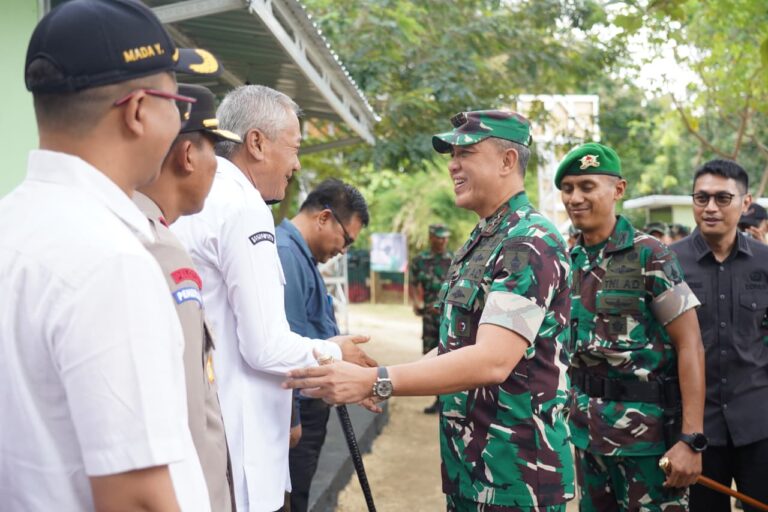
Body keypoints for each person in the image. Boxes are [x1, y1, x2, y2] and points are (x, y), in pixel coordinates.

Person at [285, 110, 575, 511]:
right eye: (451, 154)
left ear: (508, 161)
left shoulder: (530, 241)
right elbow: (459, 347)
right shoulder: (484, 240)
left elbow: (492, 360)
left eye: (466, 152)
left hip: (517, 477)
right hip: (472, 470)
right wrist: (375, 381)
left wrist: (377, 380)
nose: (453, 164)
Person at [0, 1, 221, 510]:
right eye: (177, 103)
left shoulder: (14, 226)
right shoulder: (110, 261)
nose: (178, 121)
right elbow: (137, 496)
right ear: (139, 110)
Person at [172, 84, 375, 512]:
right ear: (257, 143)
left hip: (209, 432)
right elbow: (265, 345)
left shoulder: (201, 201)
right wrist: (333, 352)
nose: (297, 164)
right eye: (294, 147)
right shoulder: (244, 208)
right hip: (241, 447)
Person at [556, 142, 705, 511]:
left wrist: (691, 439)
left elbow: (691, 345)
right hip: (586, 438)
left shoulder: (650, 254)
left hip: (647, 442)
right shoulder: (570, 260)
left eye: (587, 186)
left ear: (618, 190)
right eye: (568, 188)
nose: (575, 197)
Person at [134, 83, 243, 511]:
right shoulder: (157, 248)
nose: (216, 165)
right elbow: (187, 416)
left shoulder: (157, 233)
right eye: (214, 149)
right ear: (186, 156)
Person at [670, 159, 768, 512]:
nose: (710, 207)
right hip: (694, 433)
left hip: (759, 426)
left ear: (746, 203)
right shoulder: (667, 263)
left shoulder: (765, 262)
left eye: (723, 198)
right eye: (701, 198)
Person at [276, 178, 369, 512]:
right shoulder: (286, 254)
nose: (343, 250)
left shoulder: (303, 257)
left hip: (308, 404)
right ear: (324, 218)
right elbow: (286, 348)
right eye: (346, 239)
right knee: (291, 500)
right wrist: (291, 418)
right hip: (296, 407)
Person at [409, 223, 453, 414]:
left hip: (450, 315)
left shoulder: (454, 259)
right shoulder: (420, 260)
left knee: (450, 355)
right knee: (431, 356)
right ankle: (438, 399)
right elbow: (413, 284)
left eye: (445, 237)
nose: (443, 241)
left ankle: (448, 400)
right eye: (439, 237)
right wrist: (416, 303)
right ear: (431, 238)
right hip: (429, 316)